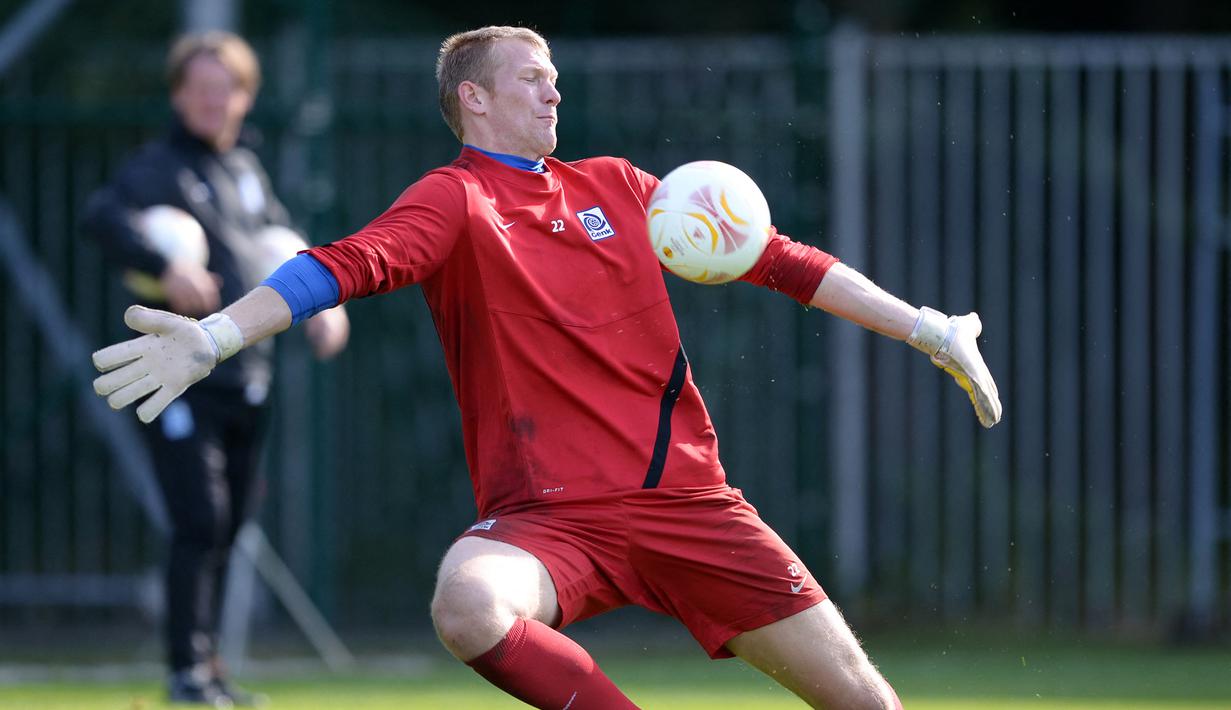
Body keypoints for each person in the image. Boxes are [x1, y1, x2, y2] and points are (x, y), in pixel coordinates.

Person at [91, 25, 1000, 709]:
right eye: (530, 77)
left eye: (554, 77)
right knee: (467, 605)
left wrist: (928, 328)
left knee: (866, 703)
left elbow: (780, 259)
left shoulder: (621, 186)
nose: (552, 90)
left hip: (690, 504)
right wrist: (214, 337)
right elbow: (340, 265)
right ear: (474, 99)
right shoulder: (455, 198)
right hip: (549, 519)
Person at [81, 31, 350, 707]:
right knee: (199, 519)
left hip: (246, 372)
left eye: (224, 88)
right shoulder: (158, 168)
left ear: (245, 96)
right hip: (180, 377)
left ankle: (210, 668)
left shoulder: (247, 172)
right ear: (178, 96)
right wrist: (165, 264)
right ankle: (186, 672)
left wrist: (325, 305)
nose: (212, 100)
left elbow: (283, 247)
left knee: (228, 527)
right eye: (199, 88)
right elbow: (102, 216)